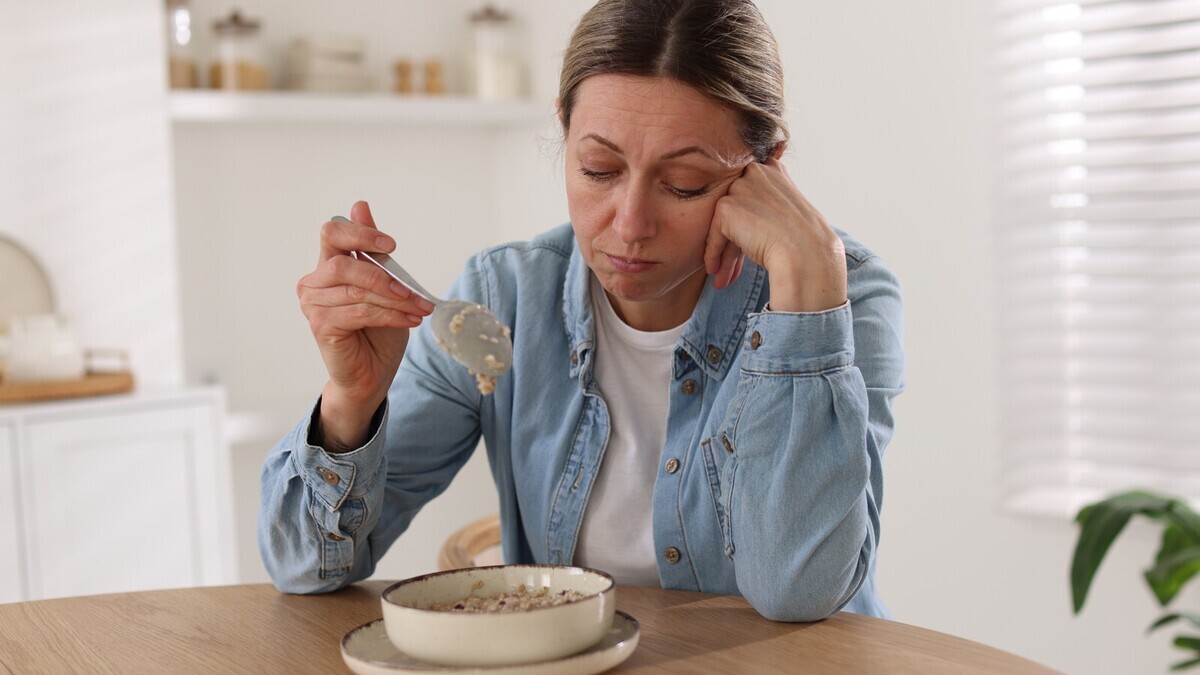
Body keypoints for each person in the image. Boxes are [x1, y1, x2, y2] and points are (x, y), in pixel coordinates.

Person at [258, 0, 904, 622]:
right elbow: (303, 564)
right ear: (564, 131)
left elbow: (796, 589)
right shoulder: (503, 297)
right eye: (598, 169)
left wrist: (807, 296)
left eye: (684, 185)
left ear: (765, 174)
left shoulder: (842, 295)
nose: (630, 225)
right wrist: (351, 400)